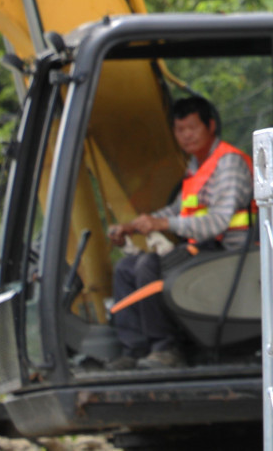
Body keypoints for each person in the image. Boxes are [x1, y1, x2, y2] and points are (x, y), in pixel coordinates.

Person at [107, 95, 254, 369]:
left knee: (148, 266)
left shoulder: (229, 164)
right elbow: (177, 211)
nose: (186, 136)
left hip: (231, 254)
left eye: (192, 128)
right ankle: (135, 348)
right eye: (180, 130)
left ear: (210, 126)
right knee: (126, 267)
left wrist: (164, 225)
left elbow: (219, 220)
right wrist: (134, 226)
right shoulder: (196, 167)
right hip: (204, 250)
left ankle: (166, 347)